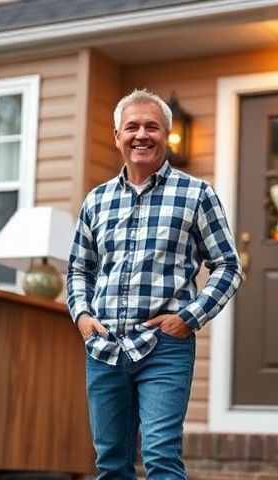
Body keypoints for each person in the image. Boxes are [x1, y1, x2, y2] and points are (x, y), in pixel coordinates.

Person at [66, 89, 243, 479]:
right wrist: (81, 316)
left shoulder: (196, 195)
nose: (141, 135)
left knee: (161, 456)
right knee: (110, 461)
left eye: (152, 127)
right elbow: (79, 269)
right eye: (132, 127)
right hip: (104, 346)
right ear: (117, 136)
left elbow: (229, 266)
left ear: (167, 135)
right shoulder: (96, 201)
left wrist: (188, 318)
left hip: (164, 348)